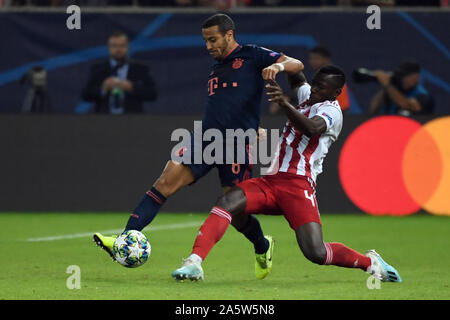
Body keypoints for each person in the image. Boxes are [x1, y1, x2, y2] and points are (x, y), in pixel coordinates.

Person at [93, 14, 304, 279]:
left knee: (236, 214)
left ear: (229, 35)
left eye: (213, 40)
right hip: (205, 139)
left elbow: (297, 64)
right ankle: (124, 240)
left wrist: (279, 68)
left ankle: (263, 245)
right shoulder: (217, 67)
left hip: (237, 145)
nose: (208, 46)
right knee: (165, 182)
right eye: (205, 41)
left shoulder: (252, 55)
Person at [172, 65, 402, 284]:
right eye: (315, 84)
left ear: (336, 92)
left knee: (316, 252)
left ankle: (370, 262)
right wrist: (279, 64)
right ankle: (194, 262)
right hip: (271, 181)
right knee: (228, 201)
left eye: (322, 87)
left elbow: (312, 128)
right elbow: (297, 73)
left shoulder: (331, 110)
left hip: (298, 186)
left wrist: (283, 103)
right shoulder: (307, 95)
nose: (314, 89)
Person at [81, 31, 157, 114]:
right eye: (114, 46)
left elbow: (152, 94)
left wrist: (132, 87)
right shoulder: (98, 69)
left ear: (128, 47)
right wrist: (103, 88)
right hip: (103, 120)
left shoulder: (140, 69)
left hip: (133, 120)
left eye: (122, 46)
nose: (118, 49)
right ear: (108, 48)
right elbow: (86, 95)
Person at [369, 61, 434, 117]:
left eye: (406, 76)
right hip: (388, 127)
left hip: (414, 129)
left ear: (417, 77)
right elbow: (373, 109)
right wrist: (385, 85)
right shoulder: (393, 90)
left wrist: (388, 85)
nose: (403, 79)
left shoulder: (423, 95)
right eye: (401, 75)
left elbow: (406, 106)